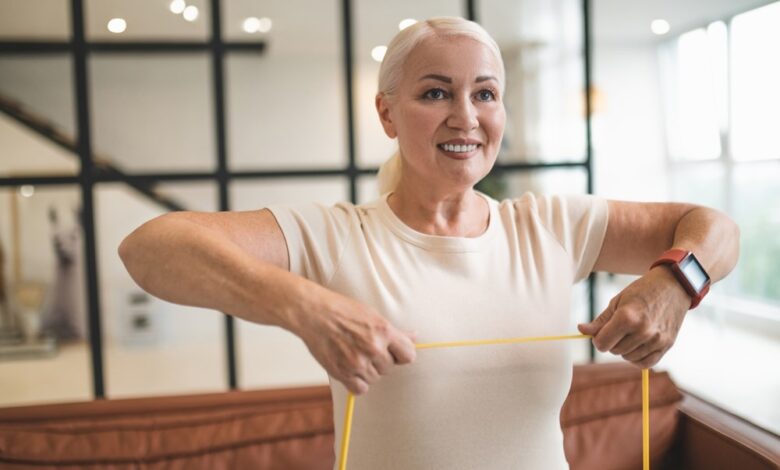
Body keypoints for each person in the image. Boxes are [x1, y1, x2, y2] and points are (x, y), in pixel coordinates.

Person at [119, 17, 739, 470]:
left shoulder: (553, 225)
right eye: (436, 92)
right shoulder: (335, 234)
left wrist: (674, 283)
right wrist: (303, 306)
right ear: (387, 114)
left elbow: (715, 228)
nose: (465, 116)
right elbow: (150, 248)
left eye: (485, 93)